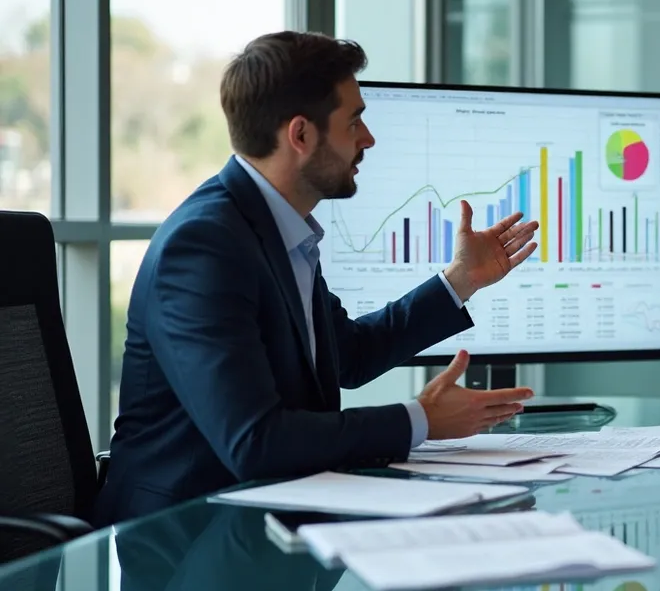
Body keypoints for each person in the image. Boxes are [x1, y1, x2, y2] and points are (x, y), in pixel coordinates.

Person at [95, 31, 538, 527]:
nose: (368, 138)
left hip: (267, 521)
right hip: (185, 544)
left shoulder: (275, 226)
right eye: (354, 122)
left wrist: (462, 278)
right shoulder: (204, 248)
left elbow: (346, 356)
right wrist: (420, 419)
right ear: (301, 135)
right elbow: (255, 442)